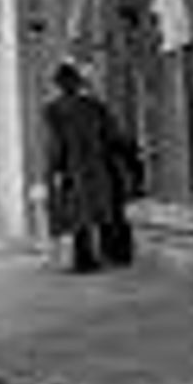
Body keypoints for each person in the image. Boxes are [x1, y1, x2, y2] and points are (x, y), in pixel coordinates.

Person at [41, 63, 138, 272]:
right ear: (78, 82)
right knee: (103, 212)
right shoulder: (95, 106)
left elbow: (56, 145)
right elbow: (114, 136)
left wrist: (55, 170)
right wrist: (129, 153)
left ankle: (84, 260)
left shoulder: (54, 110)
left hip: (73, 171)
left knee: (78, 218)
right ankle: (111, 255)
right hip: (99, 168)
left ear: (59, 85)